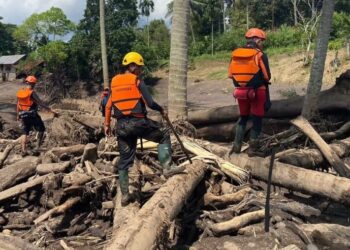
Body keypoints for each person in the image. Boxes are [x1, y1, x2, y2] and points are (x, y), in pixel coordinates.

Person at [104, 52, 184, 206]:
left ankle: (125, 196)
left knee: (124, 161)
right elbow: (150, 103)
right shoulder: (136, 81)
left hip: (121, 127)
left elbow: (108, 106)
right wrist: (161, 110)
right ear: (132, 66)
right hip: (138, 124)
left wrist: (106, 125)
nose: (140, 70)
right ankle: (167, 167)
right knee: (163, 135)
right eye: (139, 67)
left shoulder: (114, 82)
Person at [228, 28, 271, 157]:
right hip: (258, 92)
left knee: (243, 118)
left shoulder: (235, 54)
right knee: (257, 119)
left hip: (240, 93)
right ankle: (253, 149)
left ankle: (236, 146)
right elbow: (267, 77)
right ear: (257, 40)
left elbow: (231, 75)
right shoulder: (260, 55)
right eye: (262, 41)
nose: (262, 43)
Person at [16, 75, 55, 156]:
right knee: (41, 129)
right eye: (34, 84)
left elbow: (18, 104)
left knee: (25, 132)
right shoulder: (32, 93)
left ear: (26, 82)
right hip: (32, 115)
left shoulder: (20, 92)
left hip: (22, 114)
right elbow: (40, 103)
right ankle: (37, 147)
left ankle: (23, 150)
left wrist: (18, 115)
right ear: (33, 84)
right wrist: (50, 110)